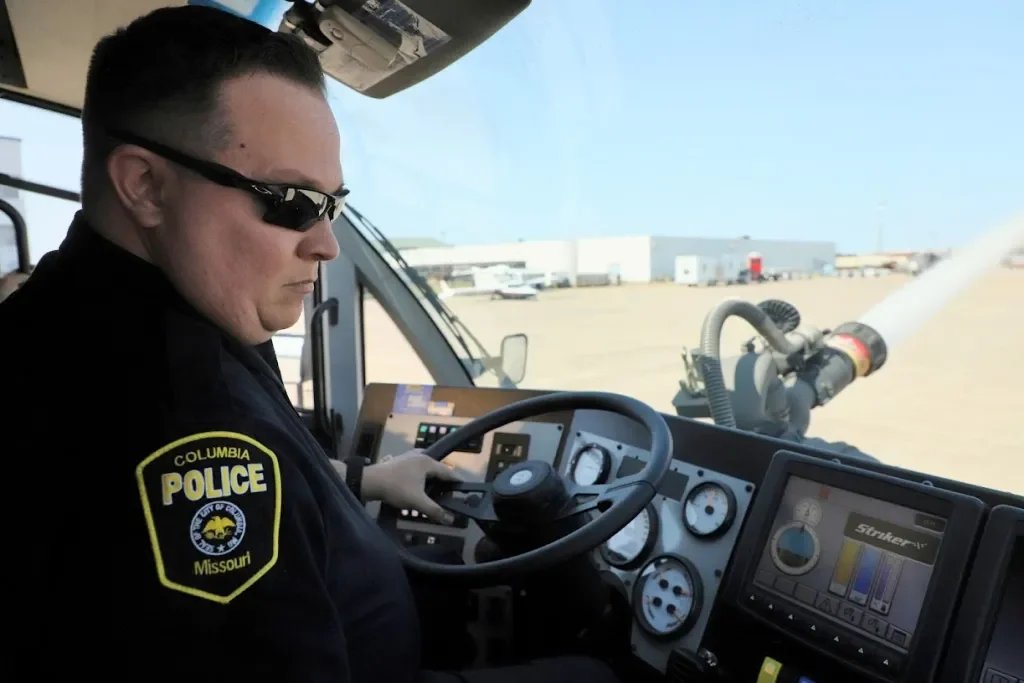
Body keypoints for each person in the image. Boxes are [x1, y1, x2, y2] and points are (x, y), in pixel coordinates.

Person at [0, 6, 618, 683]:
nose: (324, 242)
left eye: (332, 206)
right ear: (145, 185)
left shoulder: (70, 313)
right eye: (291, 200)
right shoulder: (184, 411)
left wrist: (368, 476)